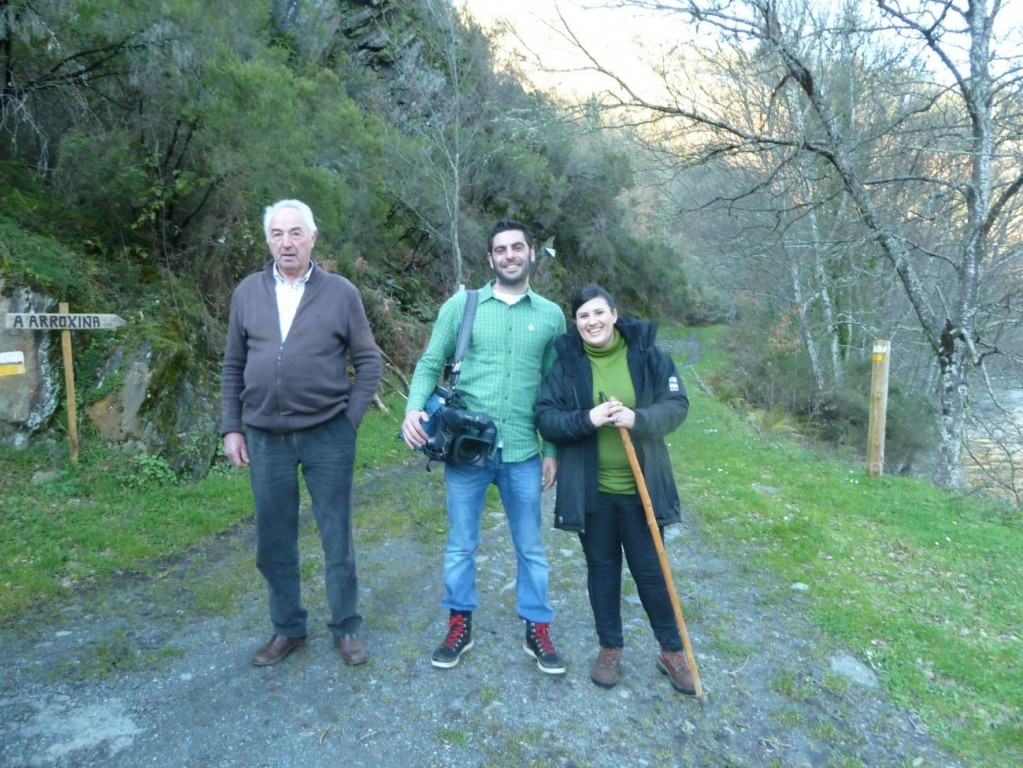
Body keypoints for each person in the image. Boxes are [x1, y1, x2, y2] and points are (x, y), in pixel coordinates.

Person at [400, 219, 568, 674]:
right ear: (491, 258)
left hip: (523, 453)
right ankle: (459, 624)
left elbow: (554, 388)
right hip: (467, 452)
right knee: (460, 544)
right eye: (501, 249)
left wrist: (551, 449)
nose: (510, 255)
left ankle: (537, 627)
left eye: (518, 247)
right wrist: (414, 409)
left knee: (531, 546)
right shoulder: (464, 305)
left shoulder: (552, 315)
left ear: (532, 253)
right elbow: (430, 362)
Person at [221, 199, 383, 667]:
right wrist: (232, 426)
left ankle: (346, 627)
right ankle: (288, 628)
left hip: (326, 433)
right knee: (273, 537)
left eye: (296, 233)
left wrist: (348, 421)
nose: (286, 242)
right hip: (265, 436)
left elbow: (368, 360)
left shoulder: (341, 292)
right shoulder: (247, 292)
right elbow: (232, 364)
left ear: (313, 238)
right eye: (277, 233)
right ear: (267, 239)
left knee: (336, 533)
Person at [534, 284, 696, 695]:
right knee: (602, 573)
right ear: (577, 322)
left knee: (651, 573)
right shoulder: (567, 364)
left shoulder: (649, 355)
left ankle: (671, 650)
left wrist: (637, 418)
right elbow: (547, 418)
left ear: (614, 314)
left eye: (598, 313)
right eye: (584, 316)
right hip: (593, 494)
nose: (592, 321)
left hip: (642, 491)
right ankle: (610, 648)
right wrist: (587, 418)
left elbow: (676, 407)